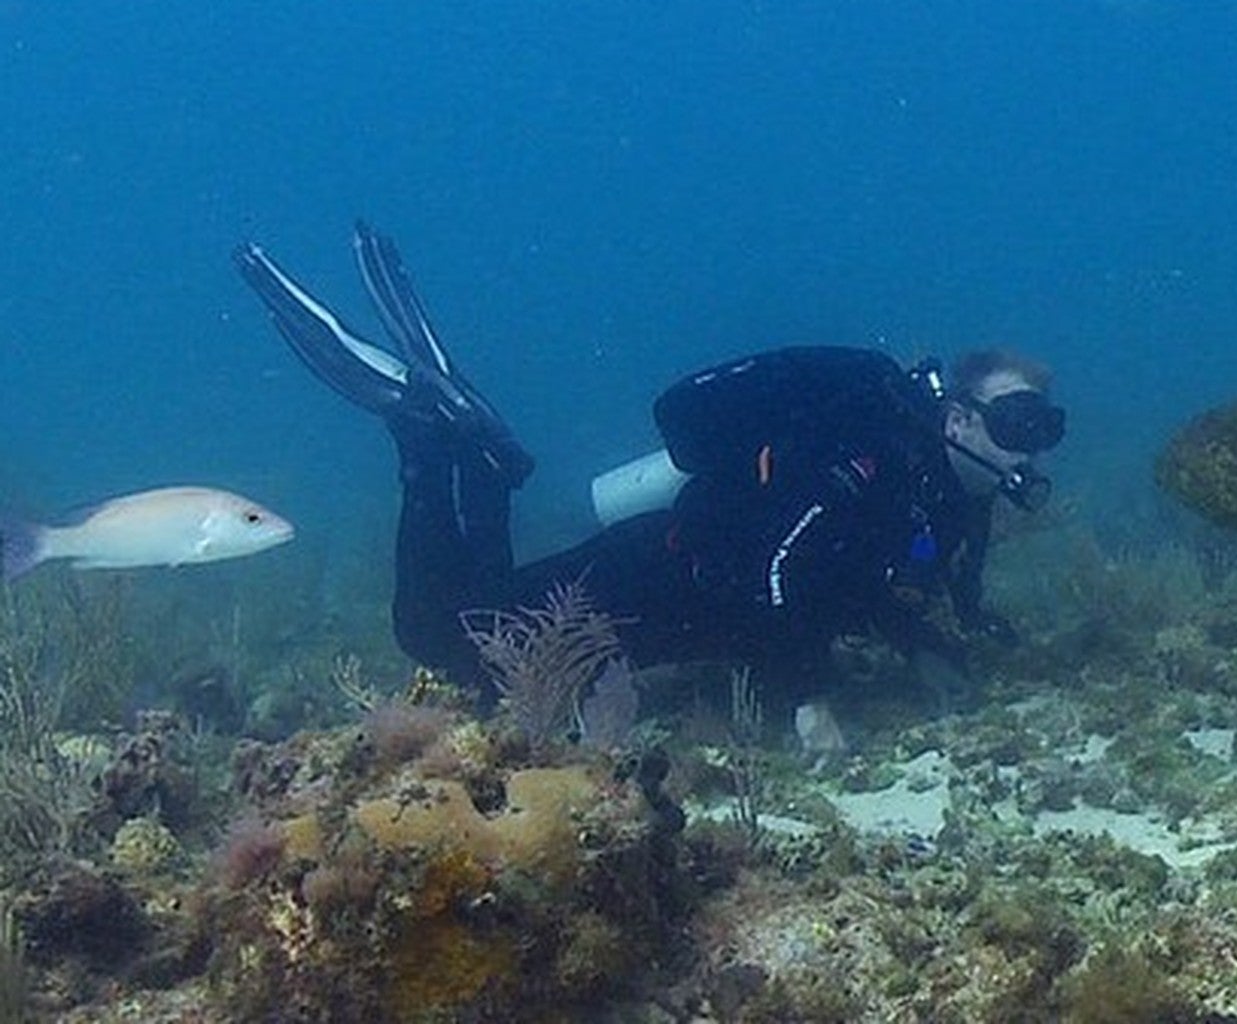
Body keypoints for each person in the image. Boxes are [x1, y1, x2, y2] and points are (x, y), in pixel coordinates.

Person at [233, 223, 1064, 728]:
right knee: (440, 638)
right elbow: (774, 572)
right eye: (1018, 423)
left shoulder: (943, 498)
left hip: (665, 599)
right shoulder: (871, 464)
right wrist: (807, 699)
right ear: (958, 420)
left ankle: (477, 455)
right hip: (647, 581)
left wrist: (921, 642)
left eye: (1043, 429)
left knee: (478, 610)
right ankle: (421, 436)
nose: (1031, 449)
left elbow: (855, 583)